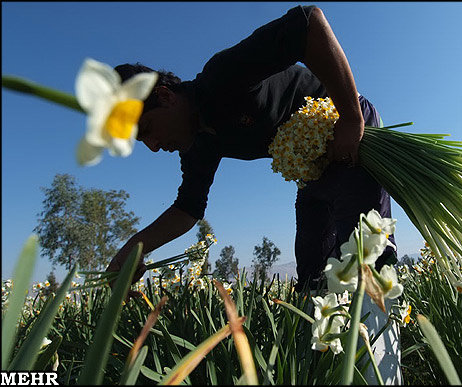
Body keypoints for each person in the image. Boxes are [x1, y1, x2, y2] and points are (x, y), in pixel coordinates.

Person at [106, 5, 401, 383]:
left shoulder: (220, 78)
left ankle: (383, 372)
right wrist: (133, 250)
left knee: (362, 252)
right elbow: (187, 208)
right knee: (313, 268)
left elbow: (307, 23)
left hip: (345, 132)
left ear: (164, 96)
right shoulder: (199, 144)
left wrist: (350, 118)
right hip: (313, 168)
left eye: (146, 129)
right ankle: (334, 368)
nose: (152, 145)